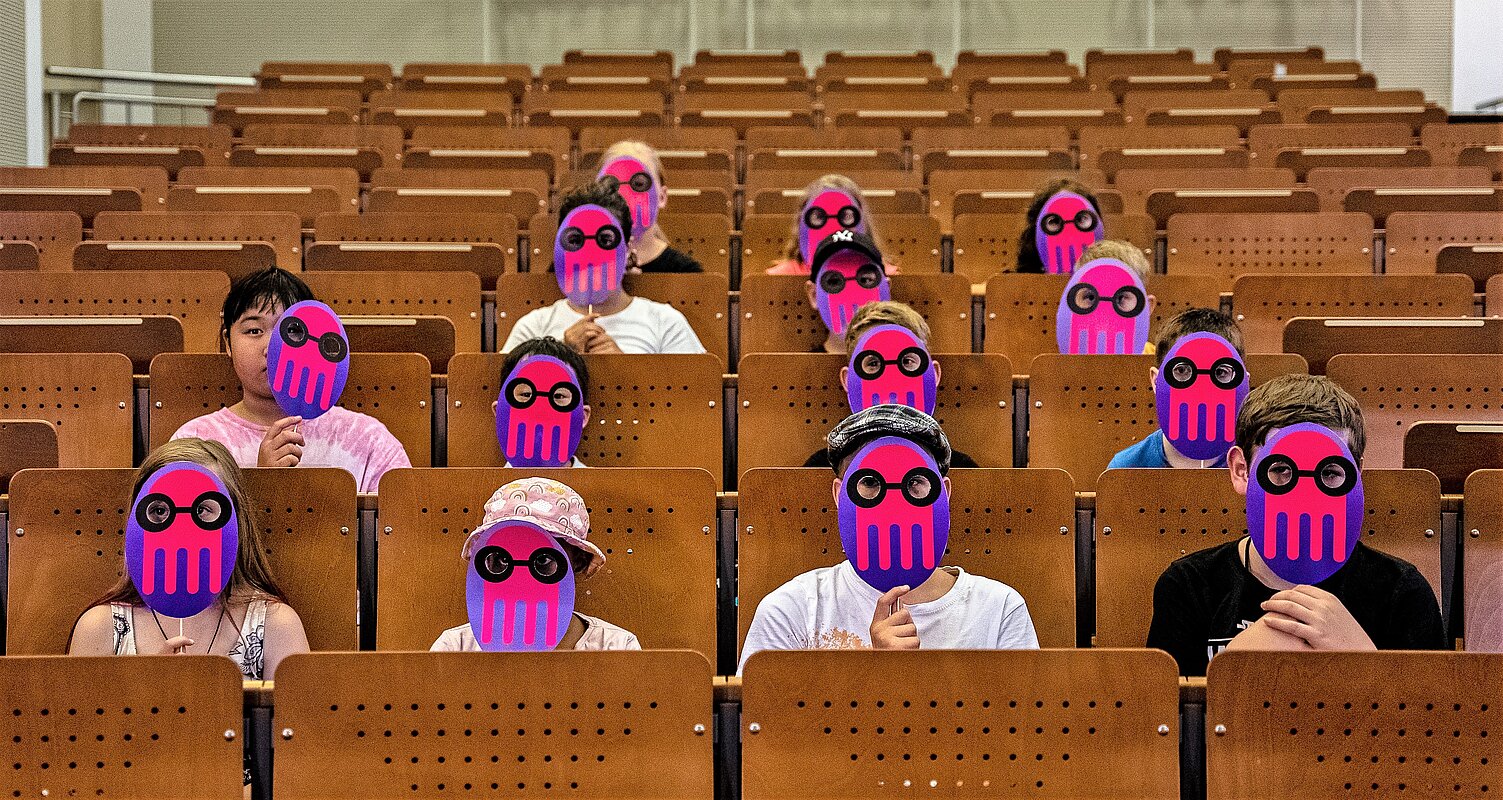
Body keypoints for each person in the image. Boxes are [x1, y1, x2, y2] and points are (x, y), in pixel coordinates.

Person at [1145, 374, 1446, 677]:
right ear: (1241, 470)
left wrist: (1362, 660)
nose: (1306, 496)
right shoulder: (1188, 587)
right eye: (1281, 470)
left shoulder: (1401, 593)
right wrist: (1234, 667)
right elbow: (1168, 705)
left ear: (1357, 474)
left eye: (1329, 473)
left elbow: (1433, 705)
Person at [68, 438, 311, 794]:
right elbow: (76, 765)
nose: (182, 529)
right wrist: (146, 695)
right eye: (160, 512)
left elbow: (301, 765)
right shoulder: (100, 629)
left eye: (204, 510)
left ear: (236, 522)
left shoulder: (276, 624)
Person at [739, 404, 1038, 672]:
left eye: (915, 481)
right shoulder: (792, 610)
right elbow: (760, 717)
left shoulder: (999, 610)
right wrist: (877, 672)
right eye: (870, 482)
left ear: (943, 492)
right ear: (840, 495)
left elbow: (1024, 716)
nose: (894, 503)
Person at [172, 267, 410, 494]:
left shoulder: (367, 439)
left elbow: (404, 516)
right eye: (254, 331)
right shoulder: (195, 441)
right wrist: (262, 484)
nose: (271, 349)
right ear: (228, 343)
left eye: (292, 332)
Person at [431, 477, 640, 651]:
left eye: (542, 561)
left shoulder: (616, 647)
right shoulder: (455, 647)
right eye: (502, 560)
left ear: (578, 562)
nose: (519, 580)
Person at [503, 182, 706, 355]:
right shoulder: (533, 327)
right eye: (576, 240)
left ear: (628, 247)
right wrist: (563, 354)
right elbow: (504, 388)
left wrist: (623, 367)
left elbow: (695, 388)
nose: (590, 252)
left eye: (605, 240)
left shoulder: (665, 323)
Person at [803, 301, 980, 468]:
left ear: (934, 375)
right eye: (873, 364)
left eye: (906, 361)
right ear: (847, 380)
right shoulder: (819, 468)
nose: (891, 378)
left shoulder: (962, 469)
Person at [1108, 308, 1246, 469]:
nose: (1200, 389)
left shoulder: (1257, 465)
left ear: (1244, 382)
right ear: (1156, 380)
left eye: (1220, 372)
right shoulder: (1125, 468)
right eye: (1182, 370)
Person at [596, 140, 703, 273]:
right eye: (612, 185)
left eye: (639, 184)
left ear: (662, 197)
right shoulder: (580, 267)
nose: (625, 197)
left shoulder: (686, 271)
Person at [767, 174, 889, 276]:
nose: (833, 228)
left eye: (845, 217)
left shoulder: (885, 275)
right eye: (819, 217)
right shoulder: (777, 278)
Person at [496, 336, 590, 468]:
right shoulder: (480, 482)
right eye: (526, 394)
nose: (541, 409)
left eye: (558, 396)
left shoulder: (603, 481)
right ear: (499, 411)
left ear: (583, 416)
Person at [1015, 178, 1104, 274]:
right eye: (1054, 222)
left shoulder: (1112, 279)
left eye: (1081, 220)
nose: (1069, 234)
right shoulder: (1017, 282)